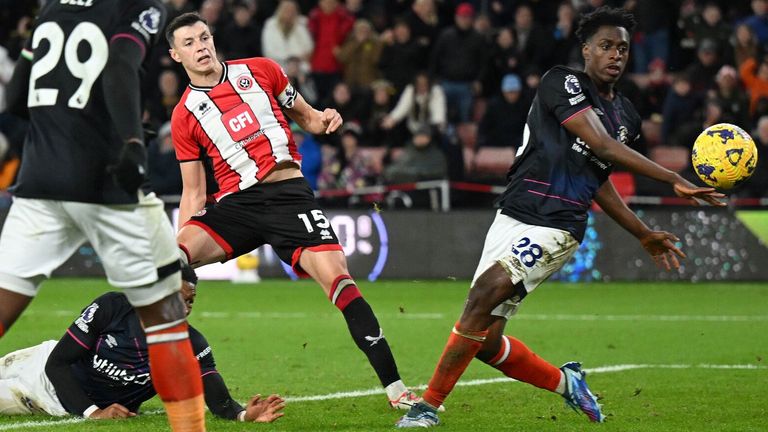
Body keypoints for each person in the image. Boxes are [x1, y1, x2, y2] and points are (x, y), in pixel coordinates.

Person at [396, 7, 725, 428]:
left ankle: (427, 407)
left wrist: (641, 232)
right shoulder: (561, 82)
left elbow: (598, 180)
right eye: (606, 46)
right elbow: (600, 146)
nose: (615, 55)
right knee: (483, 338)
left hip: (558, 224)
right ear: (586, 49)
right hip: (514, 214)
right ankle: (567, 383)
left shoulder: (627, 117)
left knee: (482, 295)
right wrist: (671, 177)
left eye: (623, 48)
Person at [165, 12, 418, 410]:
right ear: (176, 55)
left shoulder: (262, 71)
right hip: (237, 205)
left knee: (341, 282)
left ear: (213, 40)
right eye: (190, 43)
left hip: (289, 197)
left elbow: (311, 119)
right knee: (165, 263)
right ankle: (129, 373)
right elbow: (193, 192)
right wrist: (182, 266)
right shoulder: (184, 114)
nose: (200, 48)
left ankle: (397, 391)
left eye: (204, 38)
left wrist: (327, 118)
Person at [0, 2, 206, 430]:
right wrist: (131, 139)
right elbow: (119, 64)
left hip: (39, 181)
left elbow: (16, 98)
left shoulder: (53, 9)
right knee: (166, 321)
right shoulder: (141, 7)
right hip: (108, 184)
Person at [0, 267, 285, 423]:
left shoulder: (191, 344)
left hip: (43, 399)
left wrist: (245, 415)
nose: (184, 309)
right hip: (43, 369)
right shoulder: (112, 307)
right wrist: (94, 413)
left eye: (189, 302)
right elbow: (57, 364)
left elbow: (219, 400)